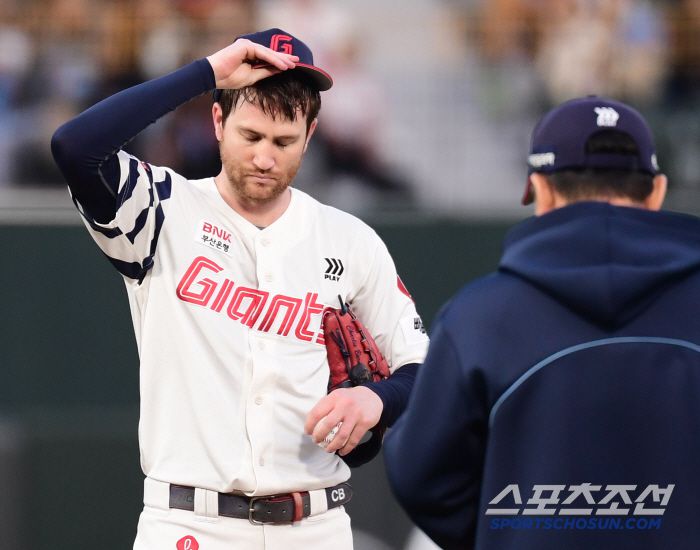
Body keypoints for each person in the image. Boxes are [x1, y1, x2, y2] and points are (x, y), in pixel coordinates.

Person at [51, 28, 429, 550]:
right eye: (250, 137)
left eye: (283, 142)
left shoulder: (350, 240)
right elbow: (74, 146)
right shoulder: (162, 210)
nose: (265, 158)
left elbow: (423, 369)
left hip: (316, 526)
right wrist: (207, 72)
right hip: (189, 524)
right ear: (218, 120)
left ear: (310, 134)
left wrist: (378, 398)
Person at [383, 96, 700, 550]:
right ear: (657, 191)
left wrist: (507, 533)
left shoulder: (479, 317)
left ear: (541, 190)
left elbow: (423, 476)